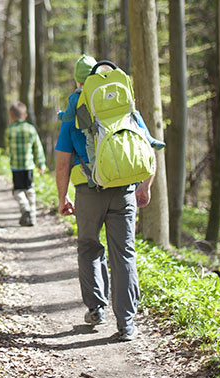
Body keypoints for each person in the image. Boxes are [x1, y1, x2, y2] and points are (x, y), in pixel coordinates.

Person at [54, 77, 155, 341]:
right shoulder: (123, 104)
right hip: (124, 190)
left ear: (78, 80)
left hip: (89, 191)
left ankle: (97, 309)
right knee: (124, 254)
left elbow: (63, 161)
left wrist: (62, 196)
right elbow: (149, 148)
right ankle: (126, 323)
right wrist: (145, 186)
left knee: (89, 246)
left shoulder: (74, 109)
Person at [58, 55, 165, 150]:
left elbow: (69, 117)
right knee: (134, 113)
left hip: (95, 131)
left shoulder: (76, 96)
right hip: (117, 124)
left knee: (90, 145)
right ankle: (149, 137)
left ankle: (96, 168)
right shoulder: (104, 90)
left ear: (77, 80)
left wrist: (61, 115)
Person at [5, 101, 46, 227]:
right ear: (25, 115)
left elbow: (8, 148)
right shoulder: (31, 129)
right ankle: (32, 215)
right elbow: (38, 147)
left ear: (11, 117)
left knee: (17, 191)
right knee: (30, 190)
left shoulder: (9, 130)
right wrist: (41, 164)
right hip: (28, 166)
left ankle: (25, 206)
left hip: (16, 166)